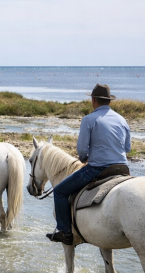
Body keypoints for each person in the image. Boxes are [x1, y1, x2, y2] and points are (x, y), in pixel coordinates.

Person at [48, 84, 131, 245]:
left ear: (93, 100)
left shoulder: (89, 120)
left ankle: (65, 233)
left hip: (98, 169)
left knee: (59, 192)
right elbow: (127, 148)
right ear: (109, 101)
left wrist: (84, 157)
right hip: (122, 168)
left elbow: (82, 151)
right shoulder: (122, 120)